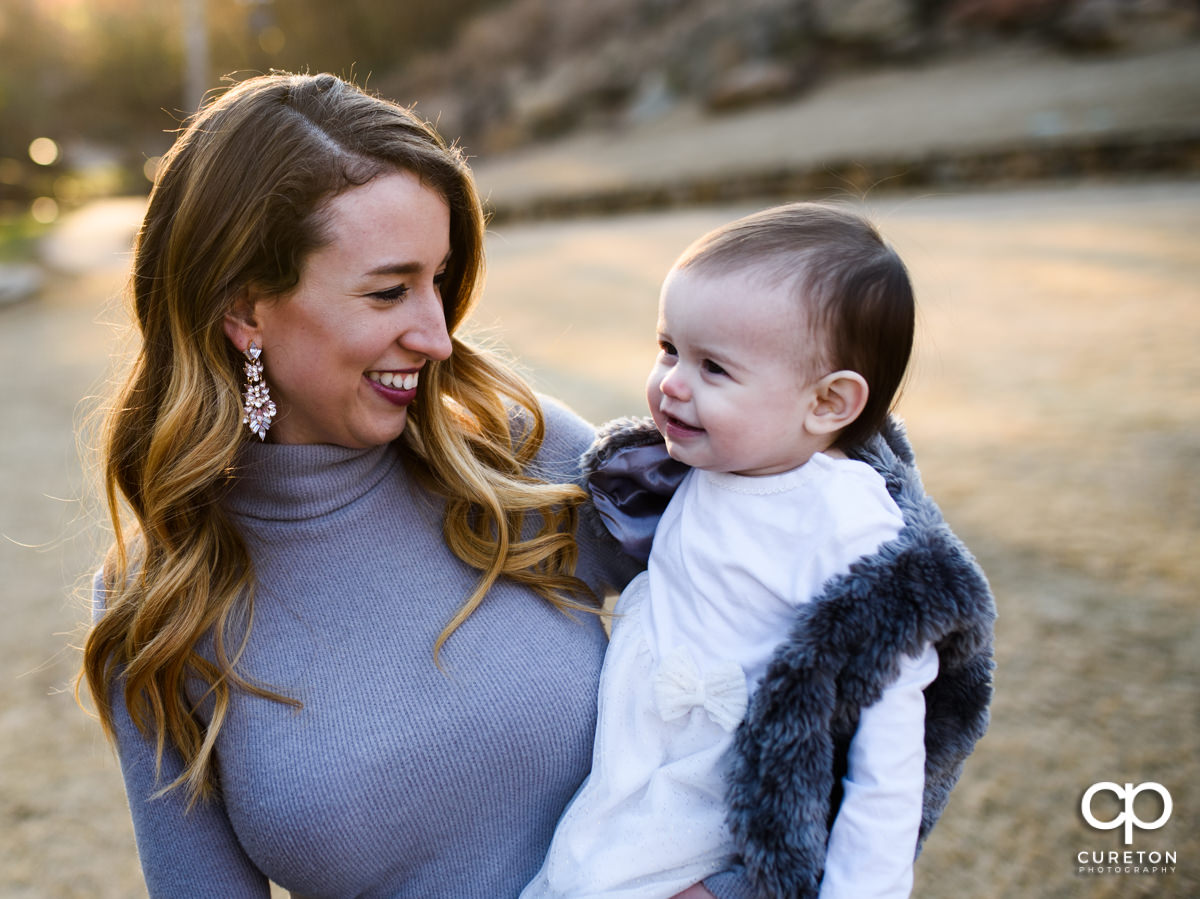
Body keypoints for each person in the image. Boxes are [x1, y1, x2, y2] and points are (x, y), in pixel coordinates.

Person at [78, 72, 641, 898]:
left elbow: (832, 631)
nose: (438, 336)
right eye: (389, 290)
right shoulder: (158, 607)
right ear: (245, 309)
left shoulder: (524, 457)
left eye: (439, 280)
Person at [523, 203, 995, 899]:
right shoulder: (696, 465)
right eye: (668, 348)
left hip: (719, 793)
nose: (672, 383)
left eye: (714, 367)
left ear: (828, 403)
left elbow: (889, 755)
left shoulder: (848, 529)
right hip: (632, 763)